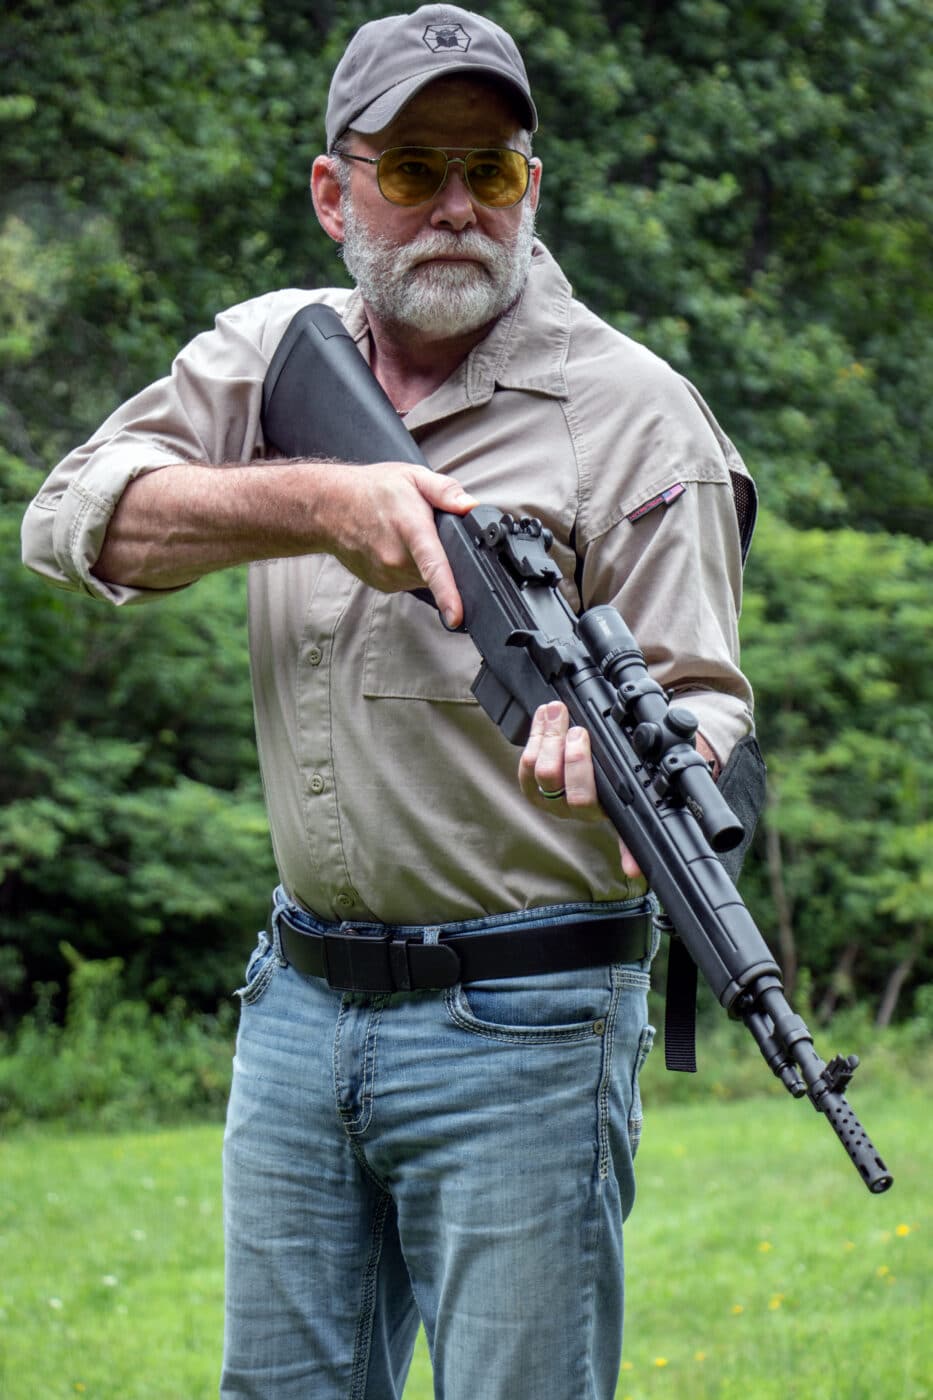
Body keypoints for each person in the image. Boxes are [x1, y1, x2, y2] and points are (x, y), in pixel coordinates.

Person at [21, 6, 756, 1397]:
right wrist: (315, 501)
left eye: (497, 173)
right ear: (332, 189)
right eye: (415, 172)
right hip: (298, 1002)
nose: (460, 210)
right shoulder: (264, 354)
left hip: (529, 1018)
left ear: (533, 185)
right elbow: (70, 522)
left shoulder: (634, 410)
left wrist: (647, 784)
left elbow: (709, 705)